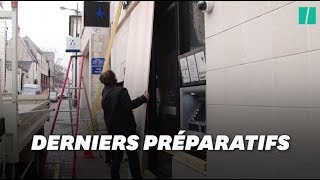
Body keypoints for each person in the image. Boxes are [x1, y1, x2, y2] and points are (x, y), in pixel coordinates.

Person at [100, 70, 149, 179]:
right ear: (113, 78)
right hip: (126, 130)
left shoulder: (105, 91)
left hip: (113, 130)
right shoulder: (121, 91)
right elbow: (129, 105)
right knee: (132, 158)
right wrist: (143, 98)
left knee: (116, 158)